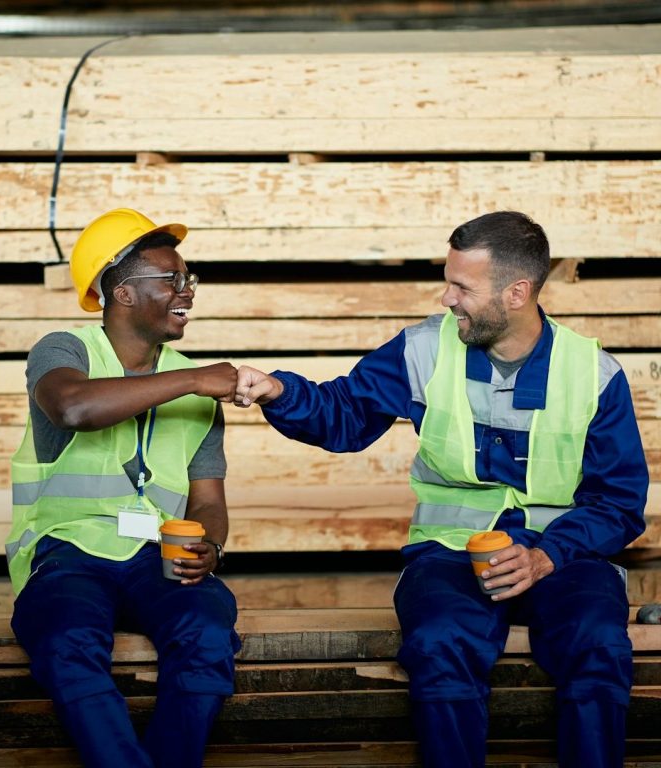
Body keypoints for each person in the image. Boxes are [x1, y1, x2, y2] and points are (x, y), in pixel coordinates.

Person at [235, 211, 648, 768]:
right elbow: (345, 415)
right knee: (438, 643)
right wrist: (279, 391)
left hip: (563, 558)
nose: (446, 297)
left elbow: (618, 501)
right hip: (450, 555)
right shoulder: (423, 349)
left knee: (598, 643)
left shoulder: (593, 373)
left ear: (517, 292)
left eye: (462, 286)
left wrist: (546, 555)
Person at [7, 208, 241, 768]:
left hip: (158, 559)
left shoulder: (198, 387)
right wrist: (192, 379)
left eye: (188, 278)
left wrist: (211, 544)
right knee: (66, 642)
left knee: (209, 635)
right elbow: (73, 407)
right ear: (124, 293)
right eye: (171, 279)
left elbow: (208, 500)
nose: (187, 290)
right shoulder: (65, 351)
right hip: (67, 552)